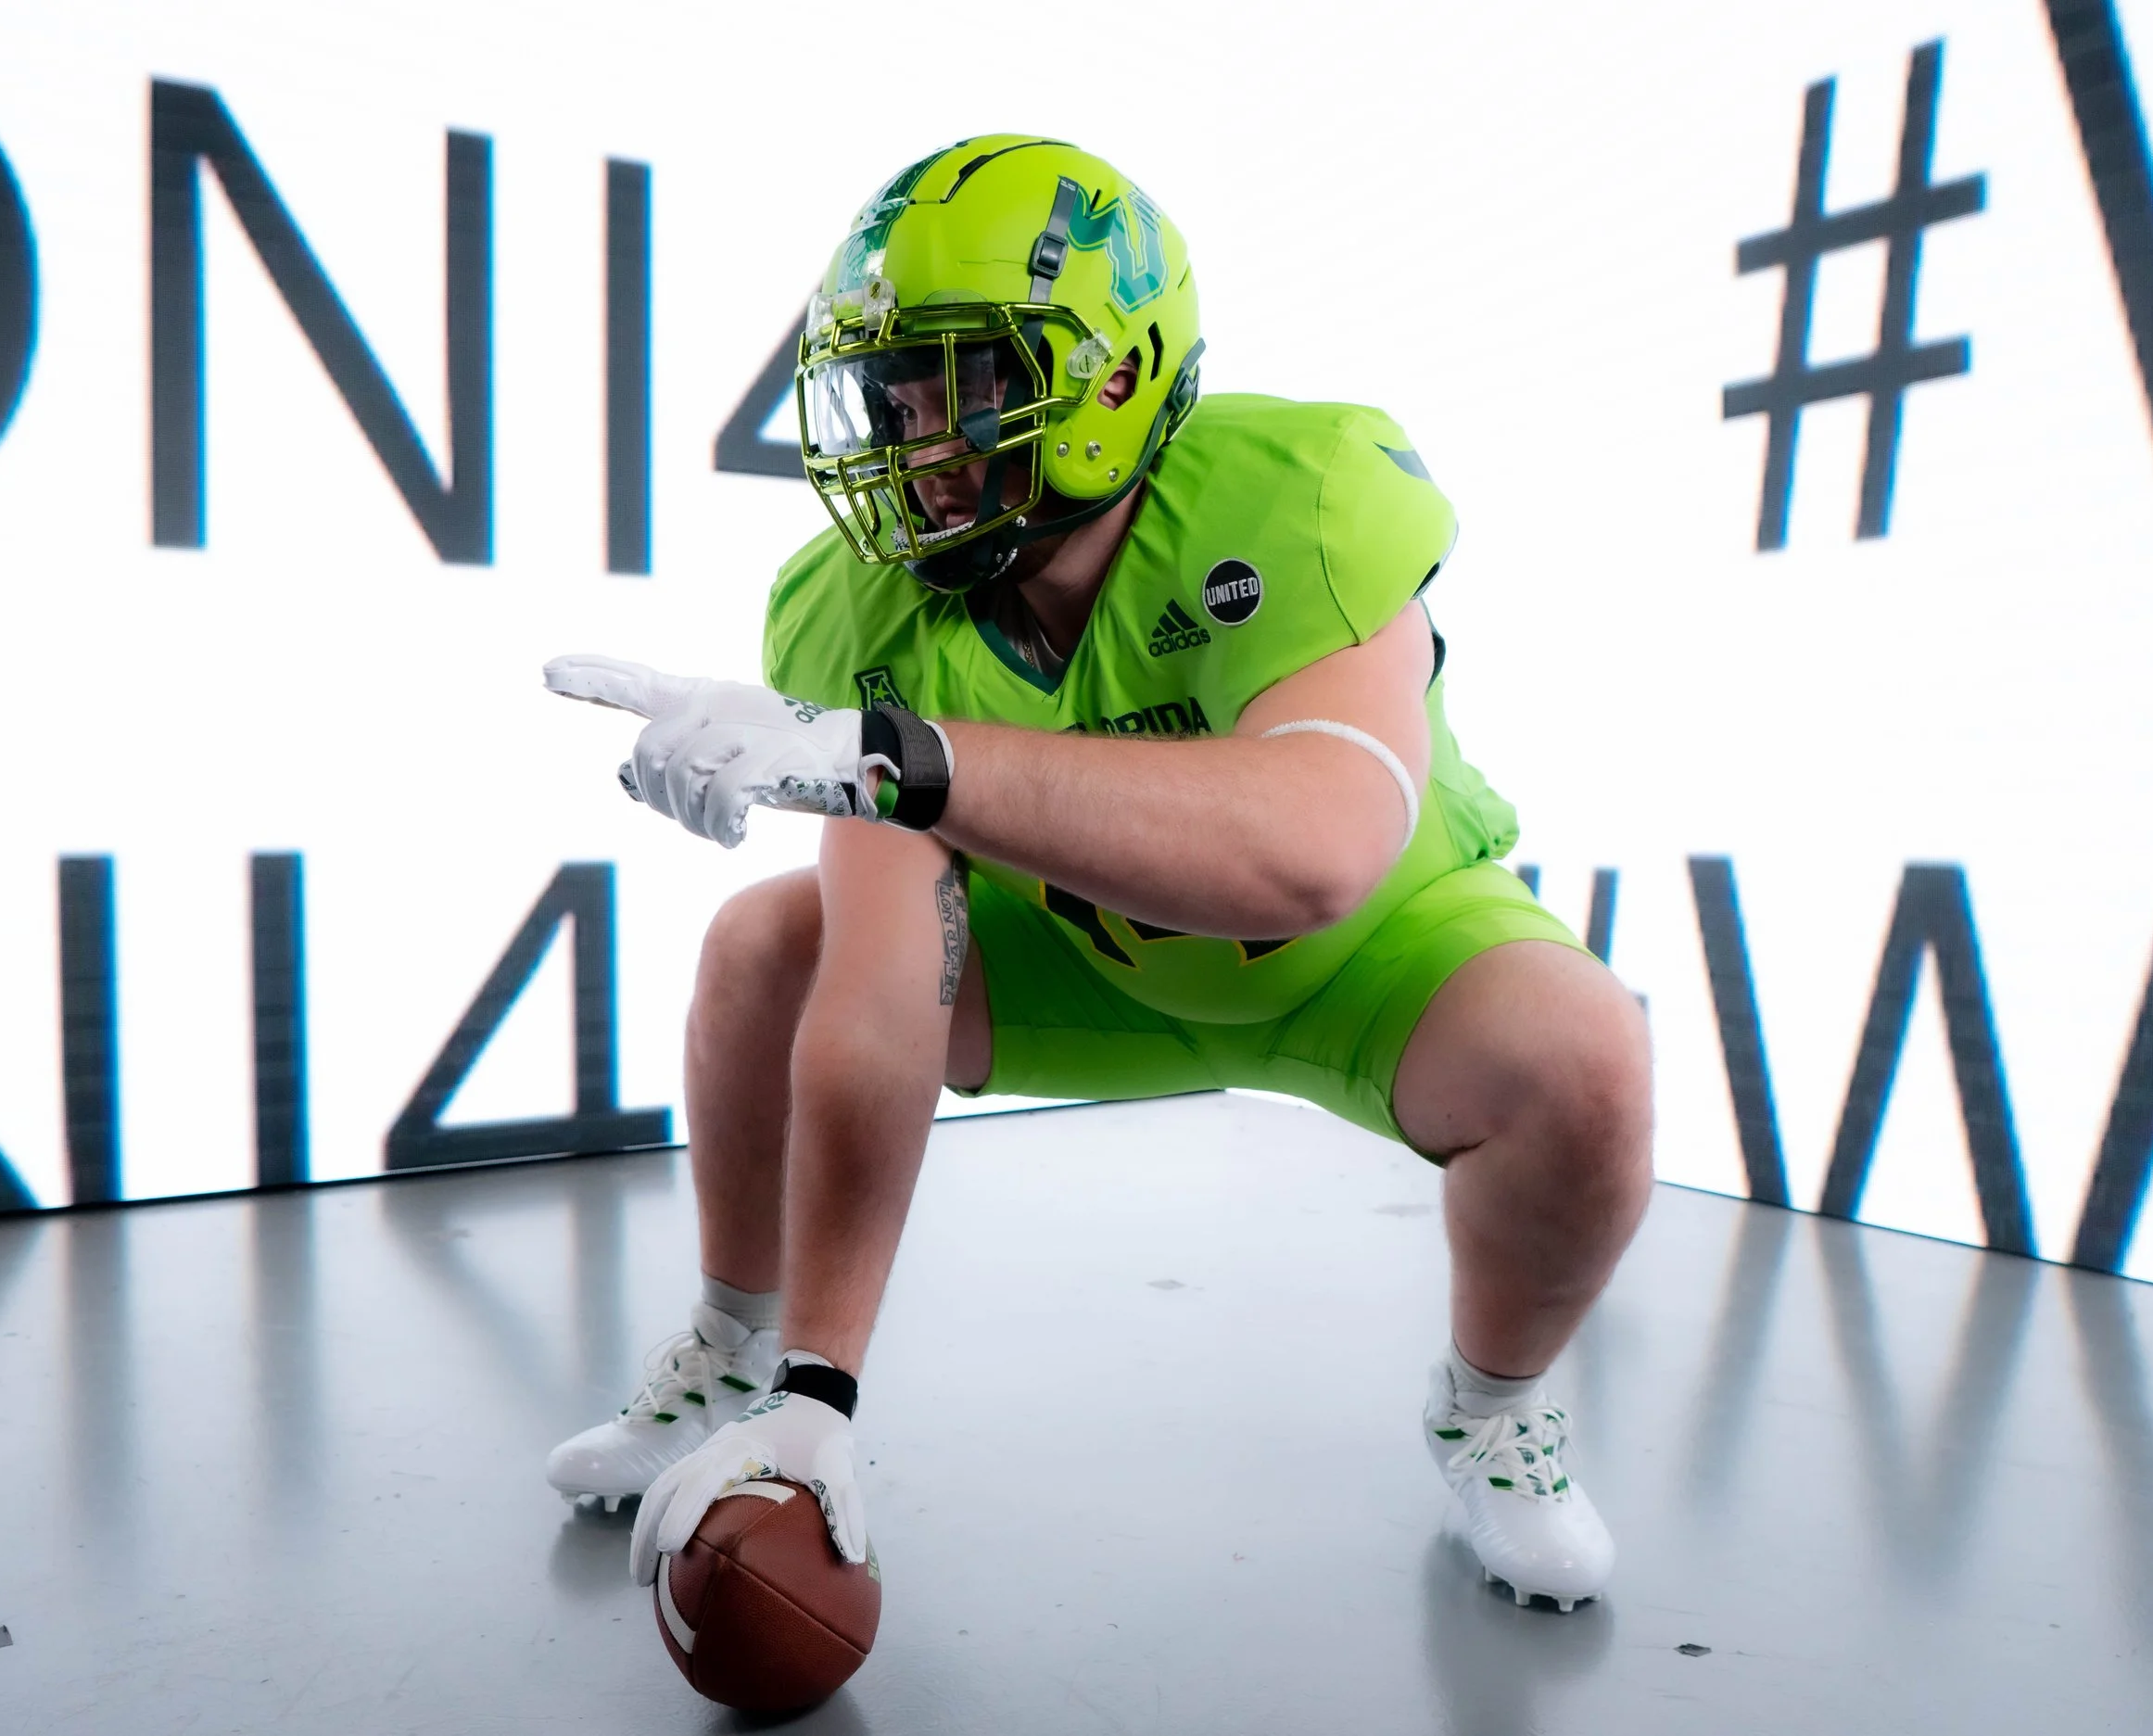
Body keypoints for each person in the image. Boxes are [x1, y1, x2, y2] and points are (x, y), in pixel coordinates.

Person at [540, 137, 1652, 1614]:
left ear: (1116, 375)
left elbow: (1312, 853)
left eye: (968, 380)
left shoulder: (1304, 487)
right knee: (770, 950)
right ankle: (742, 1354)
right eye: (894, 392)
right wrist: (825, 1385)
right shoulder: (852, 606)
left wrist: (903, 753)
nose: (916, 437)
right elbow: (883, 986)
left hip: (1374, 956)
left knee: (1584, 1058)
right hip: (1072, 952)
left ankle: (1494, 1407)